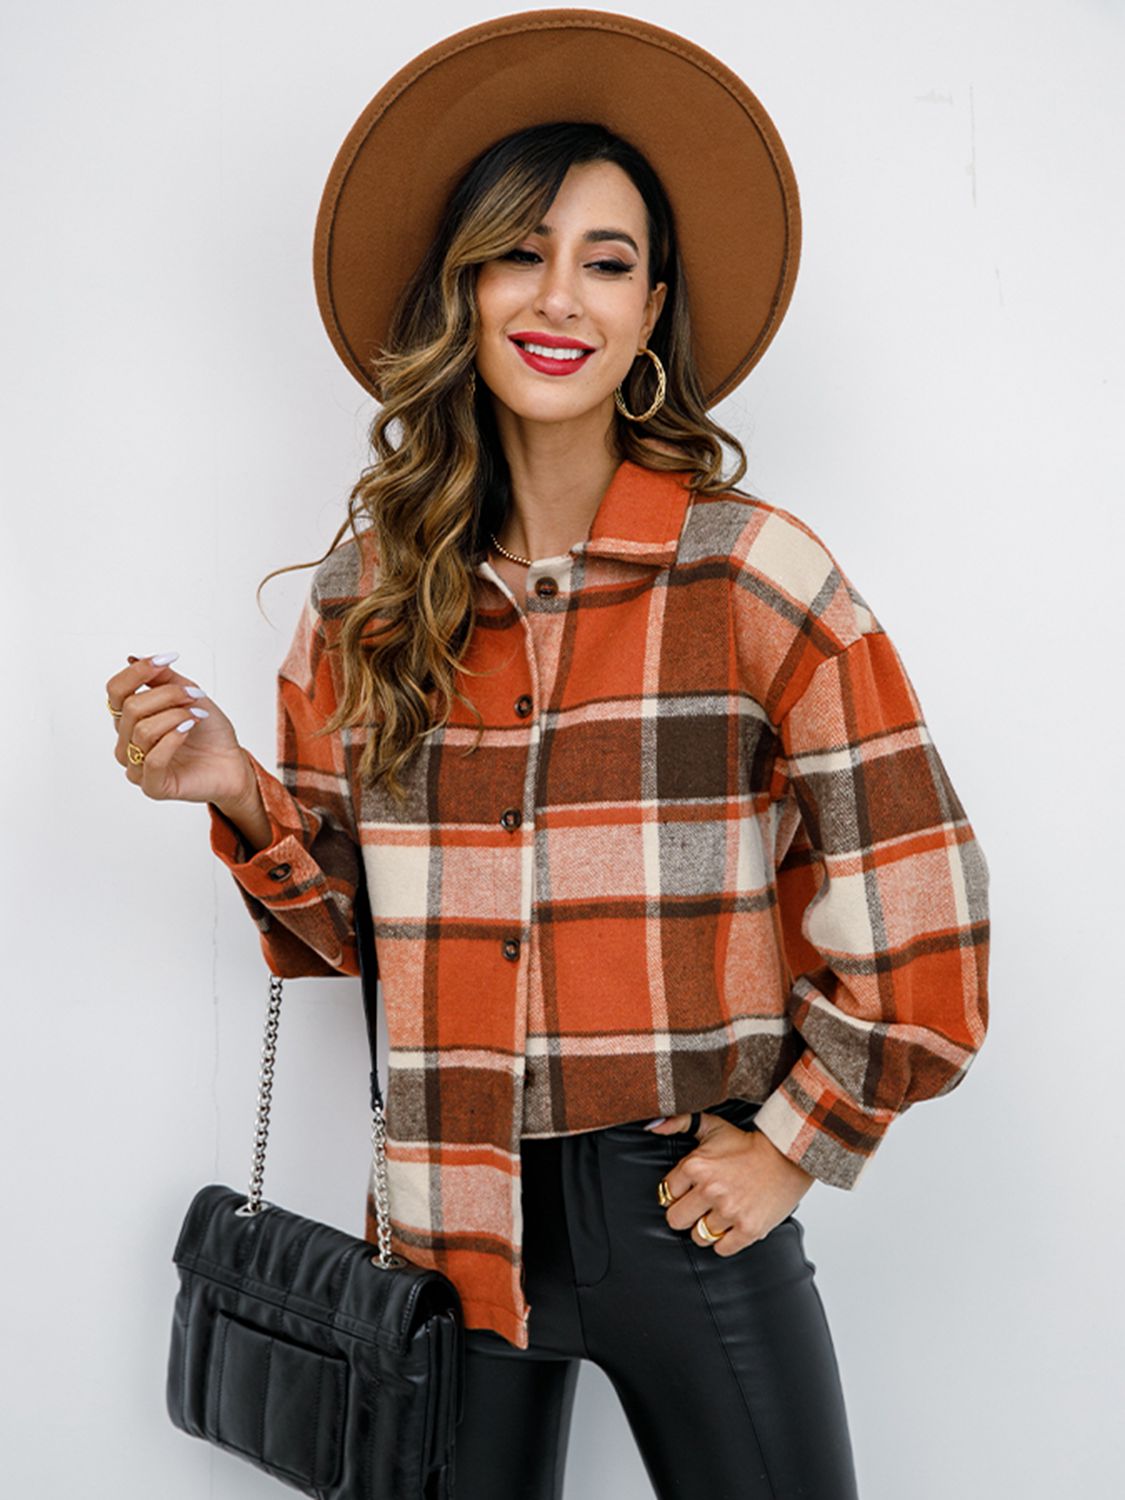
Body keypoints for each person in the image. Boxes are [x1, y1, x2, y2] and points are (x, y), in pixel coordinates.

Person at [104, 11, 990, 1498]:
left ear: (652, 312)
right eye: (519, 251)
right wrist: (235, 791)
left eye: (607, 259)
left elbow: (926, 901)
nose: (559, 294)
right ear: (464, 287)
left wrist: (798, 1139)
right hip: (440, 1221)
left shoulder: (751, 575)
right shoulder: (368, 596)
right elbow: (341, 935)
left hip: (681, 1207)